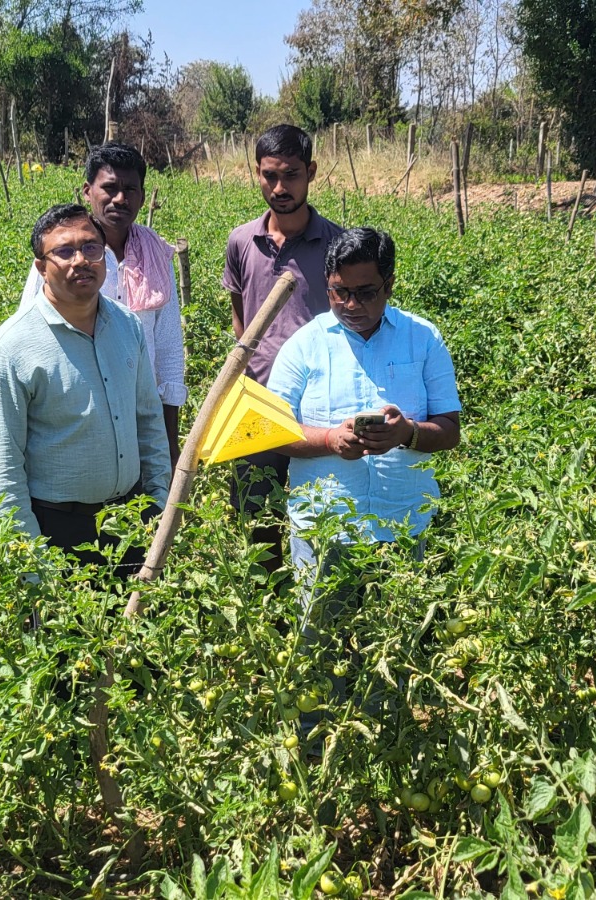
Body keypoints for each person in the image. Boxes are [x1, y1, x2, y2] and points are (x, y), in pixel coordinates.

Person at [267, 227, 462, 729]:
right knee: (318, 646)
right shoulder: (304, 344)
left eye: (365, 292)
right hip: (325, 526)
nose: (351, 303)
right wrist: (330, 440)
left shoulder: (423, 338)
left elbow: (449, 429)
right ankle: (317, 749)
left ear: (389, 285)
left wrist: (408, 435)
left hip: (402, 523)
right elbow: (270, 431)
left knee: (391, 648)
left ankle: (385, 747)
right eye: (339, 292)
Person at [0, 203, 171, 579]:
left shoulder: (128, 327)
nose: (80, 260)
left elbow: (149, 424)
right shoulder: (10, 349)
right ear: (41, 267)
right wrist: (33, 562)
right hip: (56, 534)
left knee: (137, 636)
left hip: (132, 522)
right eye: (64, 251)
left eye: (91, 248)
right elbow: (3, 469)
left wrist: (158, 509)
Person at [223, 123, 344, 572]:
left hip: (320, 403)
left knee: (324, 513)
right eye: (269, 175)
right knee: (257, 520)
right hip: (257, 401)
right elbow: (241, 317)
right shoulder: (242, 240)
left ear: (311, 172)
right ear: (256, 173)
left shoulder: (337, 242)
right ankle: (268, 613)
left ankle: (317, 609)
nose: (280, 187)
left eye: (291, 174)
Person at [20, 142, 186, 463]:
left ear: (141, 195)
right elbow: (29, 336)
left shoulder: (157, 255)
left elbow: (167, 350)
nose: (120, 199)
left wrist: (168, 441)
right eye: (109, 188)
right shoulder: (62, 254)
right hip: (75, 416)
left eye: (130, 189)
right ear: (87, 191)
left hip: (140, 417)